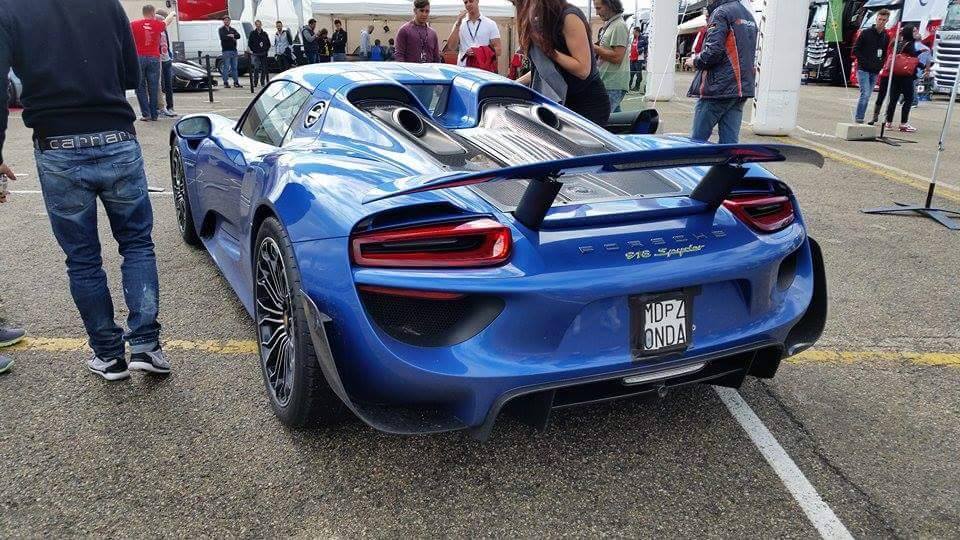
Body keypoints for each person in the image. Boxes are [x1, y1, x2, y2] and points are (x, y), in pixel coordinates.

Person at [0, 0, 170, 381]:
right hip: (116, 136)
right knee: (137, 243)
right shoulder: (106, 3)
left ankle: (108, 355)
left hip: (57, 145)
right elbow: (131, 73)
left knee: (82, 258)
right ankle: (146, 344)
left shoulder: (11, 8)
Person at [512, 0, 610, 126]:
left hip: (587, 105)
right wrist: (515, 83)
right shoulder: (542, 22)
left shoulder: (569, 17)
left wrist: (547, 49)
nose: (519, 8)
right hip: (562, 104)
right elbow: (545, 70)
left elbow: (583, 70)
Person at [684, 0, 757, 144]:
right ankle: (729, 160)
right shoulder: (748, 15)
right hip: (740, 88)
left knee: (697, 142)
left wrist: (695, 61)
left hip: (718, 88)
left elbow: (713, 52)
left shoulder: (721, 12)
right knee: (729, 144)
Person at [131, 5, 176, 121]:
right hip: (154, 58)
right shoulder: (157, 25)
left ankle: (146, 114)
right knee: (154, 86)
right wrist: (172, 13)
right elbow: (167, 21)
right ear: (152, 13)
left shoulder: (134, 24)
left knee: (140, 86)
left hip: (139, 57)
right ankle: (154, 114)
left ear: (143, 13)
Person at [885, 25, 926, 133]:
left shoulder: (900, 43)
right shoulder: (910, 44)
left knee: (893, 99)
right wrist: (922, 63)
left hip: (895, 75)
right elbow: (913, 58)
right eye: (914, 31)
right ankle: (903, 124)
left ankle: (888, 122)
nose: (916, 32)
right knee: (909, 99)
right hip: (906, 76)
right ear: (909, 33)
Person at [852, 8, 889, 123]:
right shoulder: (866, 33)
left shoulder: (885, 36)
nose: (881, 22)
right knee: (866, 93)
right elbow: (856, 49)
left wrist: (881, 64)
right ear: (876, 19)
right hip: (863, 69)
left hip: (875, 70)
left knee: (868, 94)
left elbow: (884, 52)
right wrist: (864, 61)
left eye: (884, 20)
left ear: (887, 21)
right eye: (880, 19)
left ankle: (860, 116)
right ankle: (859, 117)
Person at [593, 0, 630, 112]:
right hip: (608, 82)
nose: (597, 13)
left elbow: (617, 57)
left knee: (603, 117)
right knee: (615, 118)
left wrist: (593, 47)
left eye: (599, 8)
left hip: (613, 84)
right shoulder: (611, 25)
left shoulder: (619, 26)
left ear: (610, 6)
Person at [446, 0, 502, 72]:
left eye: (471, 1)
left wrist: (478, 52)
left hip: (483, 69)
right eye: (465, 2)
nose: (468, 4)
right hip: (463, 69)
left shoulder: (490, 24)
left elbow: (498, 50)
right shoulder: (459, 23)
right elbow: (451, 47)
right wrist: (458, 24)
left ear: (477, 1)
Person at [156, 9, 176, 118]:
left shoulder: (165, 30)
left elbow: (166, 43)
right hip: (158, 60)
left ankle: (170, 107)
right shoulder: (156, 28)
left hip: (166, 59)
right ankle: (158, 107)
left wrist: (170, 54)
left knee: (168, 84)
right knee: (158, 85)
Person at [219, 16, 243, 88]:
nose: (227, 21)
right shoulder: (221, 29)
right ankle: (225, 82)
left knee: (234, 67)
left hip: (234, 50)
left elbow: (238, 36)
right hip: (226, 51)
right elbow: (223, 38)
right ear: (223, 21)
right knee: (226, 67)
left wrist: (232, 35)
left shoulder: (233, 29)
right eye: (225, 20)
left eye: (228, 20)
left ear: (230, 21)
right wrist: (232, 37)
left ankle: (236, 82)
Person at [248, 20, 271, 89]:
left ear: (261, 24)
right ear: (255, 25)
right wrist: (253, 50)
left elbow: (268, 43)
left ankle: (262, 82)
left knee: (264, 68)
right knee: (256, 68)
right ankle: (255, 82)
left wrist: (265, 50)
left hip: (263, 53)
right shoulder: (252, 33)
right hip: (256, 54)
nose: (258, 26)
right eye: (257, 24)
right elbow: (250, 43)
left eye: (259, 24)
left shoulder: (264, 34)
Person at [629, 26, 647, 91]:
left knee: (638, 74)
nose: (633, 33)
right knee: (631, 73)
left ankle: (637, 86)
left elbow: (646, 47)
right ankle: (628, 86)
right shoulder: (632, 38)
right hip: (632, 58)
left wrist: (641, 50)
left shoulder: (643, 38)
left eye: (634, 32)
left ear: (637, 32)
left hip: (639, 59)